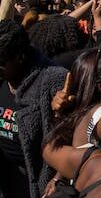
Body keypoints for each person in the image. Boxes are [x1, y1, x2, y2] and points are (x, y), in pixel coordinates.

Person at [0, 20, 68, 198]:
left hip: (36, 183)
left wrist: (58, 177)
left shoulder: (53, 80)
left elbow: (71, 136)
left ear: (20, 57)